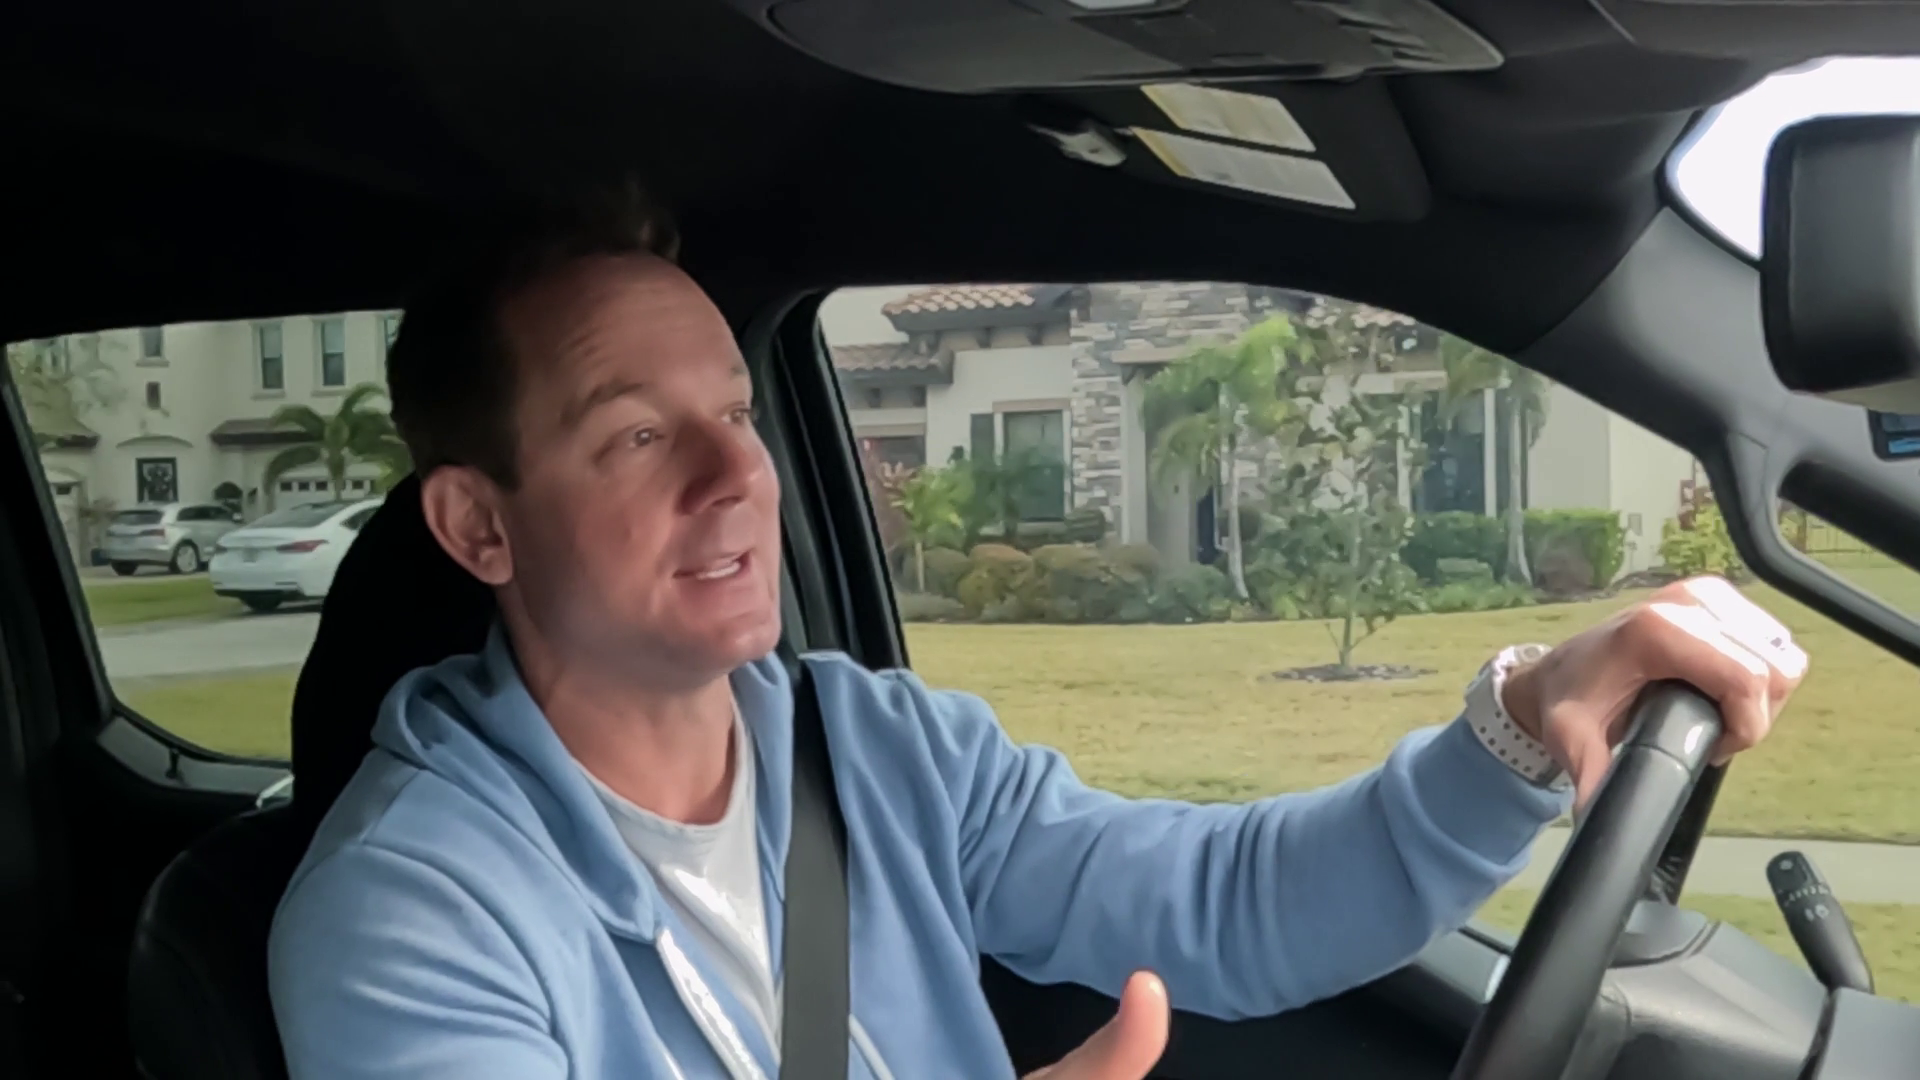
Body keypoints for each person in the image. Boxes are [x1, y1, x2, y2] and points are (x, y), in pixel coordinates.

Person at [267, 189, 1808, 1080]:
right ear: (479, 529)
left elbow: (1229, 903)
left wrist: (1522, 724)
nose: (740, 474)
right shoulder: (410, 912)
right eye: (636, 436)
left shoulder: (873, 748)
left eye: (735, 411)